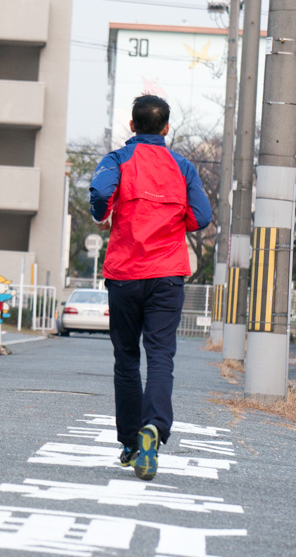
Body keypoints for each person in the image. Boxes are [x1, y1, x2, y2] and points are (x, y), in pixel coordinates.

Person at [89, 95, 212, 480]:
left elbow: (98, 194)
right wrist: (174, 225)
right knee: (160, 356)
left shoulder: (116, 161)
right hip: (167, 276)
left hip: (125, 274)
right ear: (165, 129)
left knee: (126, 359)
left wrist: (103, 215)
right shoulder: (183, 166)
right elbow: (202, 216)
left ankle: (129, 443)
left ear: (131, 125)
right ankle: (153, 428)